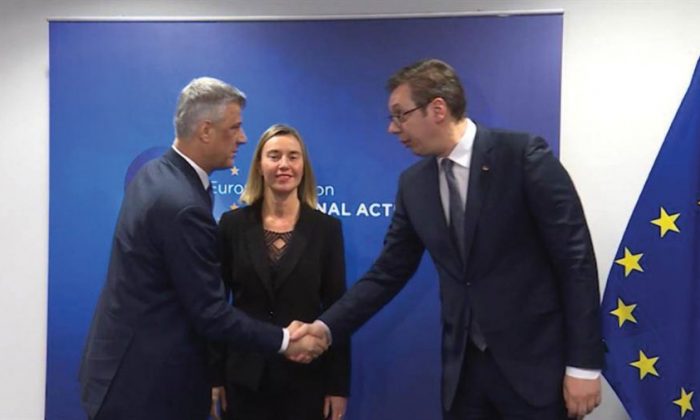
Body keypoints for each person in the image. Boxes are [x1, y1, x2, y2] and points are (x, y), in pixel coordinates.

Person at [293, 59, 604, 419]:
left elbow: (575, 261)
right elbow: (388, 272)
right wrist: (325, 328)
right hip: (464, 377)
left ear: (438, 109)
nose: (393, 128)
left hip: (535, 371)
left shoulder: (522, 157)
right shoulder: (414, 184)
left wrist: (584, 365)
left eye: (401, 115)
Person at [78, 78, 326, 420]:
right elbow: (209, 313)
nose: (242, 138)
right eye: (235, 127)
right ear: (206, 130)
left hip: (122, 373)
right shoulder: (182, 204)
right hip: (147, 391)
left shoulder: (156, 173)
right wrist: (285, 340)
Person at [209, 124, 350, 420]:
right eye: (274, 156)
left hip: (306, 380)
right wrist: (214, 376)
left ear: (303, 166)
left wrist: (337, 385)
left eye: (293, 156)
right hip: (243, 380)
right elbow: (215, 306)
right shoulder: (232, 225)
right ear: (260, 166)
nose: (284, 164)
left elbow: (337, 310)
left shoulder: (326, 229)